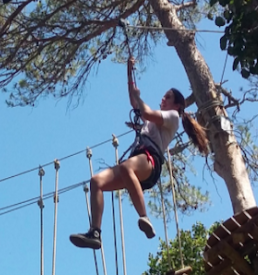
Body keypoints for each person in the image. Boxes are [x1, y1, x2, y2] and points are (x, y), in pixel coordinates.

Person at [69, 56, 210, 249]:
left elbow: (144, 111)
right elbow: (135, 103)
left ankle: (144, 217)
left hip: (150, 162)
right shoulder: (154, 120)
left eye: (167, 97)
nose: (163, 98)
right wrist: (129, 73)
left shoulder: (173, 117)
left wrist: (140, 98)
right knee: (96, 182)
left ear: (177, 105)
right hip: (138, 162)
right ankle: (95, 232)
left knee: (127, 167)